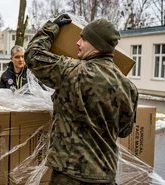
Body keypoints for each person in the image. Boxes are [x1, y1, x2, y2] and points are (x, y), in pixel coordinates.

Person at [24, 14, 139, 185]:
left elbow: (33, 55)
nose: (77, 43)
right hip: (106, 176)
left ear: (97, 47)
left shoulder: (72, 71)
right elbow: (124, 131)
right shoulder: (129, 88)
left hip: (70, 175)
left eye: (83, 40)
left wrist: (52, 28)